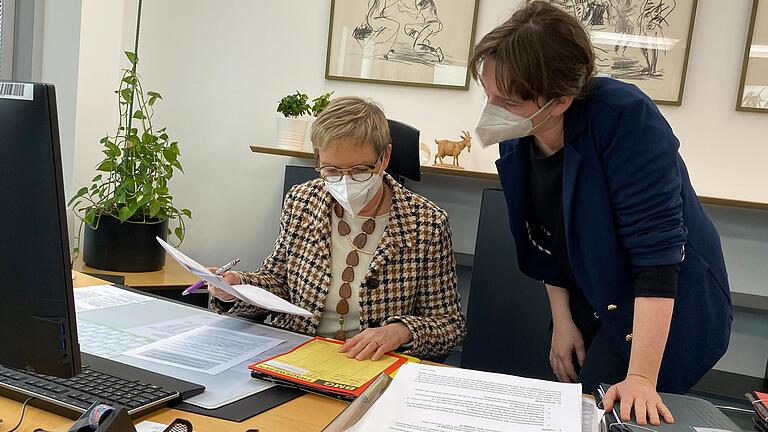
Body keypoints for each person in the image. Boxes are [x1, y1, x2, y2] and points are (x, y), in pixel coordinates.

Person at [471, 1, 732, 426]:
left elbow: (658, 258)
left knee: (620, 412)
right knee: (569, 402)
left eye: (509, 100)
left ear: (560, 100)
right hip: (588, 290)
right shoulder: (519, 135)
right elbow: (545, 243)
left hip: (663, 301)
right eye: (489, 96)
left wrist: (643, 377)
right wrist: (562, 321)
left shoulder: (624, 118)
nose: (492, 111)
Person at [208, 96, 465, 362]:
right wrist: (236, 287)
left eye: (360, 170)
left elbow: (449, 325)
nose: (345, 182)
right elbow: (278, 282)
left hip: (371, 366)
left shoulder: (426, 222)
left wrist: (399, 331)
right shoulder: (302, 201)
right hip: (297, 356)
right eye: (331, 170)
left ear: (385, 157)